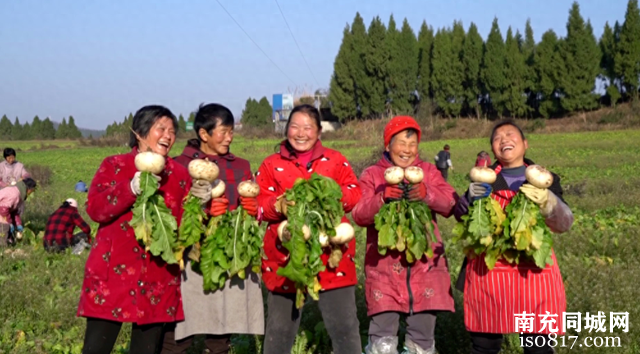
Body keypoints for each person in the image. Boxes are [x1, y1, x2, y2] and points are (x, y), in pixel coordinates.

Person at [77, 105, 197, 354]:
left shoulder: (180, 175)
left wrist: (201, 205)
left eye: (172, 131)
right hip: (113, 273)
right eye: (160, 129)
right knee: (96, 348)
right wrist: (129, 189)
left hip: (159, 275)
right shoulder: (115, 165)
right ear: (140, 133)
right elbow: (96, 209)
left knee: (146, 350)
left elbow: (188, 228)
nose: (168, 136)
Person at [453, 120, 574, 354]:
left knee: (537, 347)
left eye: (510, 134)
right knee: (484, 347)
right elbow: (460, 217)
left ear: (525, 144)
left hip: (533, 272)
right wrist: (468, 199)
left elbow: (564, 223)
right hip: (488, 274)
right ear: (494, 148)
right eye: (497, 138)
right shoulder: (484, 178)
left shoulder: (545, 179)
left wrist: (548, 202)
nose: (504, 139)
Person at [255, 104, 363, 354]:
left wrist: (330, 198)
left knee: (345, 328)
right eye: (294, 126)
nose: (300, 133)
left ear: (318, 131)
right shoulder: (271, 164)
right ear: (286, 129)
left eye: (307, 127)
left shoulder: (335, 160)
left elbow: (355, 193)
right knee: (279, 331)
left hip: (331, 258)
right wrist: (278, 205)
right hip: (286, 258)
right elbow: (258, 207)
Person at [160, 103, 263, 354]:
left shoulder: (240, 165)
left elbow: (252, 207)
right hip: (189, 257)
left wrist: (252, 211)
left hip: (225, 255)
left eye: (231, 131)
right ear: (203, 134)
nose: (229, 137)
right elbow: (170, 211)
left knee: (220, 329)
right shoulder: (177, 165)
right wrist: (202, 213)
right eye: (223, 131)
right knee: (178, 332)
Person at [352, 116, 457, 354]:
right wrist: (382, 198)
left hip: (425, 270)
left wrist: (427, 193)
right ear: (388, 145)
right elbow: (358, 214)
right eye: (401, 143)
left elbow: (451, 204)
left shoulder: (428, 172)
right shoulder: (372, 175)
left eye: (412, 144)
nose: (407, 150)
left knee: (421, 341)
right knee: (382, 342)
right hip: (384, 271)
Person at [0, 178, 37, 247]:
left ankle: (10, 241)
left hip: (3, 209)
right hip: (2, 209)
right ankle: (2, 245)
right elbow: (3, 211)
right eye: (32, 190)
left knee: (9, 224)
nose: (31, 192)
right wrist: (9, 223)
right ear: (28, 189)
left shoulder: (19, 194)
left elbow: (14, 212)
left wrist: (18, 224)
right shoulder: (14, 194)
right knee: (4, 225)